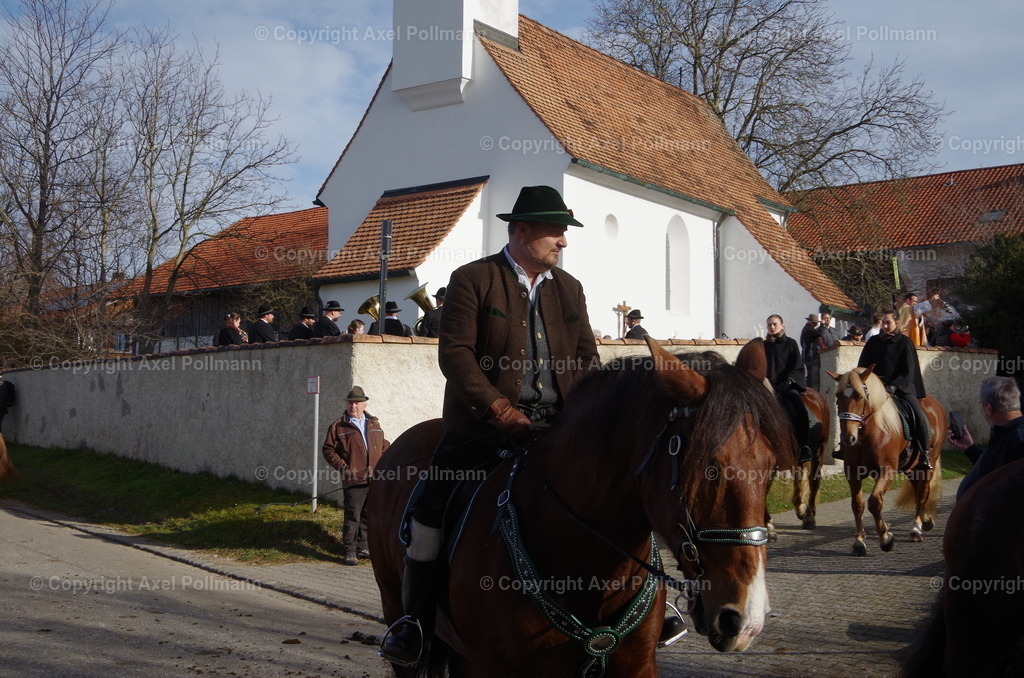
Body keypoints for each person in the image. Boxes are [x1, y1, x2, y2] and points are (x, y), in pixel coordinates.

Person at [379, 185, 602, 666]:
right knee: (428, 510)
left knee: (620, 488)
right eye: (555, 231)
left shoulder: (570, 288)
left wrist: (584, 419)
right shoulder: (473, 279)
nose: (563, 241)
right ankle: (414, 622)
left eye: (564, 232)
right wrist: (500, 411)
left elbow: (587, 358)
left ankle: (646, 610)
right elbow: (456, 355)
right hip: (481, 430)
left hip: (559, 430)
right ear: (522, 230)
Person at [321, 386, 390, 565]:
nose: (353, 406)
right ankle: (349, 551)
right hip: (353, 479)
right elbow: (328, 450)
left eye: (357, 403)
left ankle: (363, 547)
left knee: (367, 514)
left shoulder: (374, 424)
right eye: (350, 403)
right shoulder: (338, 426)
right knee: (353, 516)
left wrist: (386, 463)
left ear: (364, 405)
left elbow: (384, 445)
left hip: (373, 478)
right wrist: (344, 467)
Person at [857, 310, 932, 469]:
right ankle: (846, 449)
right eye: (882, 322)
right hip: (875, 390)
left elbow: (908, 370)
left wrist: (893, 386)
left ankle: (925, 453)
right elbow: (863, 366)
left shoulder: (905, 342)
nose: (884, 326)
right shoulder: (873, 342)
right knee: (854, 411)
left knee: (919, 416)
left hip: (901, 388)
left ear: (897, 323)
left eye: (888, 322)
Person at [949, 377, 1024, 501]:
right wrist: (970, 449)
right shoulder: (1006, 432)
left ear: (988, 408)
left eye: (981, 404)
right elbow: (995, 466)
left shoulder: (1018, 438)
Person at [764, 315, 812, 463]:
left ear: (782, 325)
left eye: (774, 324)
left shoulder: (791, 343)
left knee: (800, 412)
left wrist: (788, 382)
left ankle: (803, 446)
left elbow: (797, 365)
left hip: (787, 386)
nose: (772, 327)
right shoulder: (763, 346)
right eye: (769, 325)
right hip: (768, 388)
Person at [800, 313, 822, 389]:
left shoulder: (807, 329)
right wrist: (822, 326)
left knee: (811, 374)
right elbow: (819, 333)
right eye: (815, 323)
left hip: (808, 355)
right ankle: (809, 389)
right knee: (811, 375)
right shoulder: (808, 329)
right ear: (812, 323)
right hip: (809, 355)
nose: (816, 325)